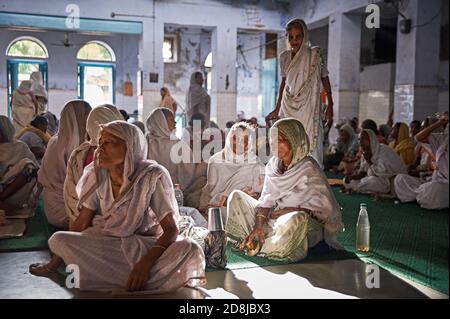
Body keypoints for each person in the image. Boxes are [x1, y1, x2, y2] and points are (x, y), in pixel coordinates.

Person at [30, 121, 206, 292]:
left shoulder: (149, 177)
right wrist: (52, 265)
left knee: (188, 248)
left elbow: (171, 230)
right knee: (58, 239)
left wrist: (145, 263)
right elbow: (81, 223)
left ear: (130, 147)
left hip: (143, 245)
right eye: (100, 143)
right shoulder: (97, 174)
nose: (101, 148)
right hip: (109, 244)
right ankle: (137, 278)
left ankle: (127, 275)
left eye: (109, 143)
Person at [226, 118, 343, 262]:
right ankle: (258, 238)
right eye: (272, 139)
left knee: (297, 219)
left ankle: (259, 245)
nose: (274, 145)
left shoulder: (309, 168)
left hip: (300, 226)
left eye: (280, 139)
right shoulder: (273, 165)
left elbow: (320, 215)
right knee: (236, 197)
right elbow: (266, 202)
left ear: (294, 140)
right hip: (273, 219)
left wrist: (286, 211)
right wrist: (258, 226)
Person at [265, 18, 333, 167]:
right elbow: (283, 83)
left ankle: (310, 180)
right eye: (291, 37)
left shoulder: (314, 55)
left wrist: (330, 106)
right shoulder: (284, 57)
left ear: (305, 36)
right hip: (288, 106)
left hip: (309, 107)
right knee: (287, 143)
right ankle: (288, 180)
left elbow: (325, 79)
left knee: (310, 144)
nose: (295, 41)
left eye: (298, 37)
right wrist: (277, 108)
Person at [64, 106, 122, 226]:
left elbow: (71, 194)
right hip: (103, 222)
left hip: (79, 217)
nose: (101, 150)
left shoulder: (79, 153)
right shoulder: (118, 155)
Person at [38, 100, 91, 229]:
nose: (90, 120)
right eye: (87, 116)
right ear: (76, 117)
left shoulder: (88, 142)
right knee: (95, 220)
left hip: (82, 201)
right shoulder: (56, 143)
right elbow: (48, 178)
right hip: (58, 203)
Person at [199, 122, 265, 216]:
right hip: (222, 206)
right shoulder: (215, 161)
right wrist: (230, 198)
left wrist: (250, 196)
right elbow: (213, 192)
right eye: (235, 138)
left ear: (249, 142)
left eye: (244, 140)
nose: (239, 143)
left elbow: (262, 192)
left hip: (247, 206)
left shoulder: (255, 163)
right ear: (229, 138)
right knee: (221, 214)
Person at [394, 115, 448, 210]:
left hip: (443, 185)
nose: (423, 129)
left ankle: (420, 196)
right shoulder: (442, 139)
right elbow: (418, 137)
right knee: (400, 178)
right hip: (433, 180)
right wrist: (439, 122)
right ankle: (421, 196)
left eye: (425, 127)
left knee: (434, 189)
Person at [343, 129, 407, 195]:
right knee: (347, 180)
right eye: (359, 139)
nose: (360, 141)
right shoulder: (365, 152)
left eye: (363, 138)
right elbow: (362, 173)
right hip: (372, 179)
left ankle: (359, 188)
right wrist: (352, 177)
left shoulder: (383, 150)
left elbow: (382, 173)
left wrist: (368, 161)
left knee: (372, 181)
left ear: (371, 139)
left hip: (388, 182)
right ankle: (360, 188)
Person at [0, 115, 39, 215]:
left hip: (18, 192)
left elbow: (36, 170)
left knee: (27, 166)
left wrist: (19, 173)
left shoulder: (20, 147)